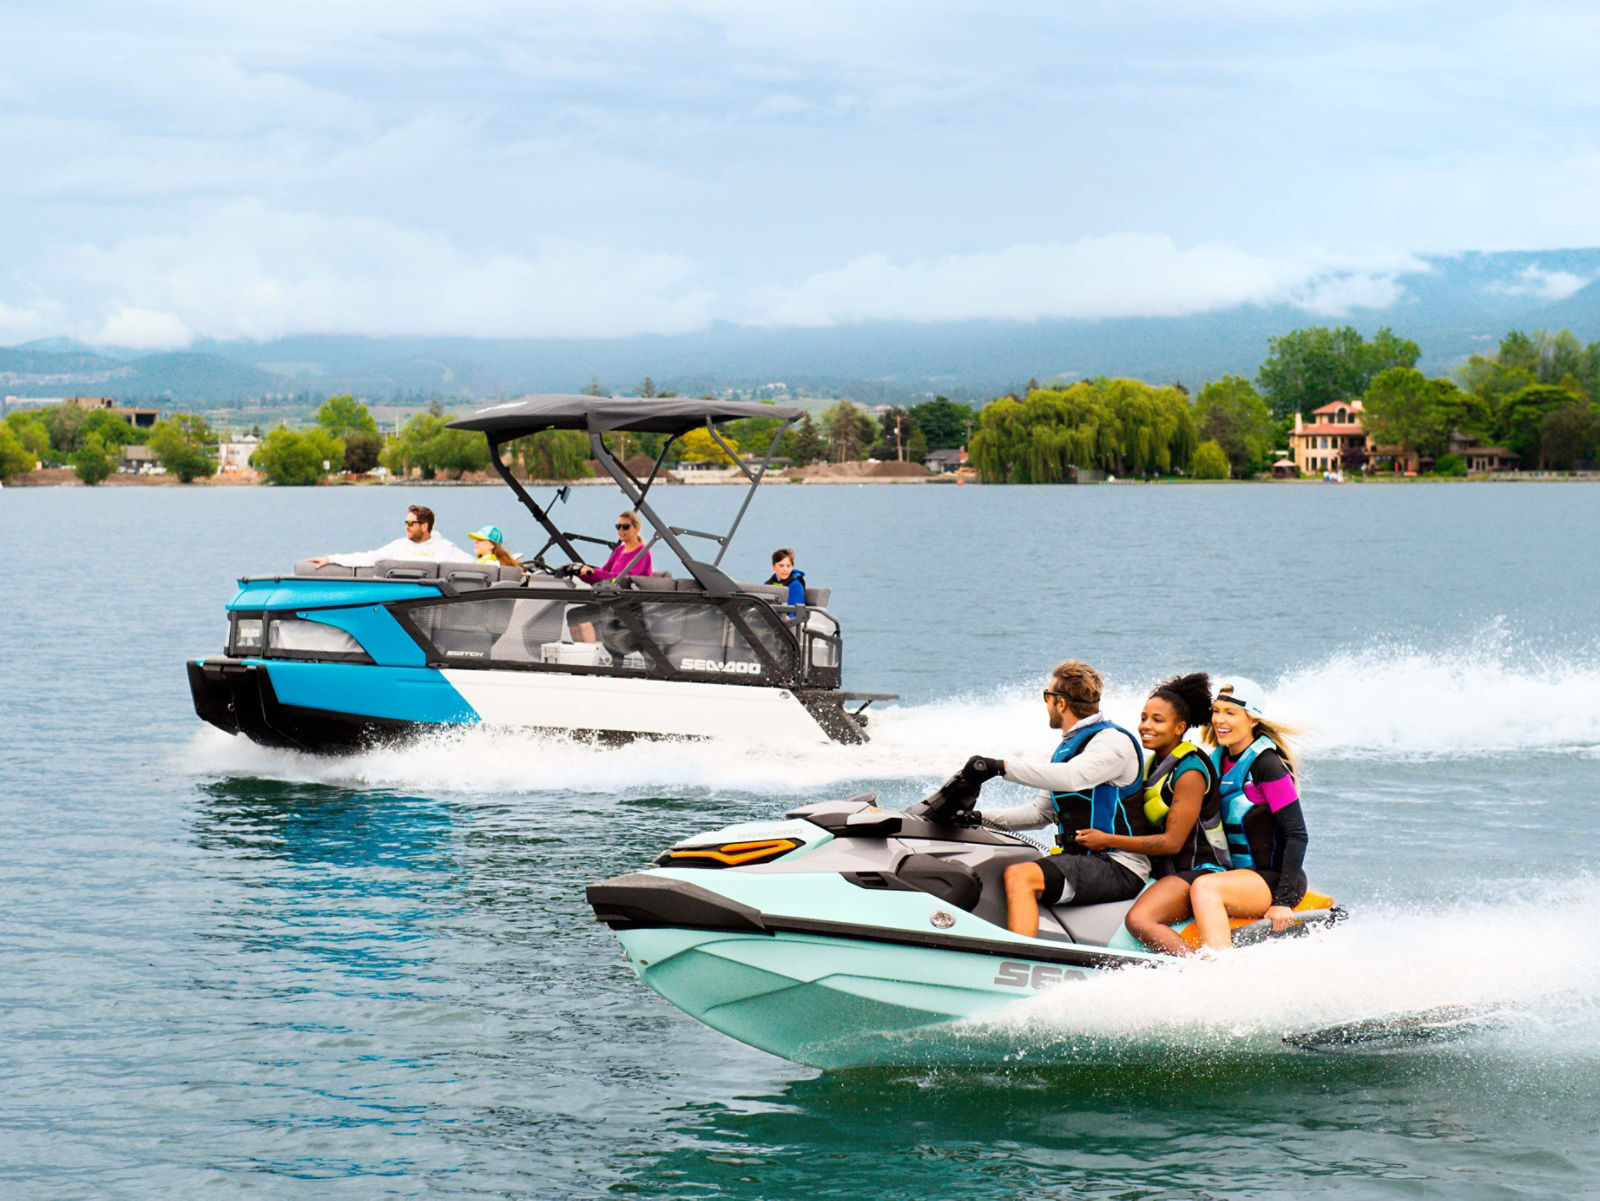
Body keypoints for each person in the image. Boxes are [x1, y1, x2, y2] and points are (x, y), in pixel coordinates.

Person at [965, 660, 1149, 937]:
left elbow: (1074, 777)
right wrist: (977, 818)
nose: (1047, 704)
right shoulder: (1068, 747)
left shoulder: (1111, 742)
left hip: (1119, 864)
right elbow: (1041, 813)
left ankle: (1019, 960)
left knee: (1020, 876)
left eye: (1047, 696)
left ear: (1060, 703)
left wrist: (1001, 767)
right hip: (1083, 859)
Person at [1076, 673, 1226, 956]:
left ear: (1180, 727)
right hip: (1163, 872)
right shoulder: (1153, 764)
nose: (1146, 726)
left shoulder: (1190, 771)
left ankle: (1200, 972)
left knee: (1139, 919)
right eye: (1144, 718)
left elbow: (1172, 843)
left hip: (1198, 872)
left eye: (1158, 720)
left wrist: (1106, 839)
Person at [1186, 678, 1309, 953]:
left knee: (1205, 889)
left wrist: (1283, 901)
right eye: (1216, 711)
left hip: (1272, 878)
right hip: (1234, 875)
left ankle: (1221, 968)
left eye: (1231, 713)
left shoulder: (1268, 765)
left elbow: (1297, 835)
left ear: (1252, 720)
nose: (1220, 720)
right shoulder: (1215, 759)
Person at [568, 511, 652, 642]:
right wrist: (583, 573)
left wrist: (594, 572)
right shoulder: (620, 550)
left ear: (637, 528)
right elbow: (604, 572)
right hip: (611, 600)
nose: (620, 530)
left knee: (580, 616)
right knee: (572, 615)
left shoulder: (642, 554)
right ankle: (582, 655)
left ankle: (589, 658)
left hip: (627, 605)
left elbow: (623, 579)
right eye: (618, 526)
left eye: (625, 527)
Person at [305, 504, 473, 568]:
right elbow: (369, 558)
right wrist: (331, 558)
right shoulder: (399, 546)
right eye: (405, 523)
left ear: (424, 526)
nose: (406, 527)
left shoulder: (445, 548)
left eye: (410, 524)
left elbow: (475, 564)